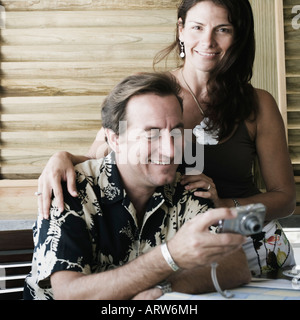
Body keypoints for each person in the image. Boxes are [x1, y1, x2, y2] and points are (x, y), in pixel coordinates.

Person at [37, 0, 296, 276]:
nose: (207, 41)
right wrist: (62, 158)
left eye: (223, 29)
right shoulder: (148, 91)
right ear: (181, 30)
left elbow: (285, 199)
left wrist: (223, 207)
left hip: (249, 242)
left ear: (238, 36)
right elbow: (106, 154)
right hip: (171, 247)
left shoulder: (258, 104)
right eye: (197, 27)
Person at [24, 73, 250, 300]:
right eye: (152, 134)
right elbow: (69, 294)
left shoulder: (187, 186)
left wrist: (163, 288)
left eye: (176, 132)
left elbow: (236, 265)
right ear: (114, 140)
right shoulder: (72, 188)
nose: (171, 151)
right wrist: (169, 256)